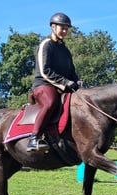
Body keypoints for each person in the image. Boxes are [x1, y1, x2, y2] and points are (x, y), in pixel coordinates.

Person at [27, 12, 81, 152]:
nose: (64, 31)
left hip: (61, 86)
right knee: (51, 102)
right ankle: (34, 138)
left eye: (66, 29)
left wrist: (77, 82)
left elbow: (71, 72)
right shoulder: (46, 44)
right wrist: (65, 82)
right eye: (62, 28)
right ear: (53, 27)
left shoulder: (65, 50)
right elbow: (45, 71)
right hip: (44, 85)